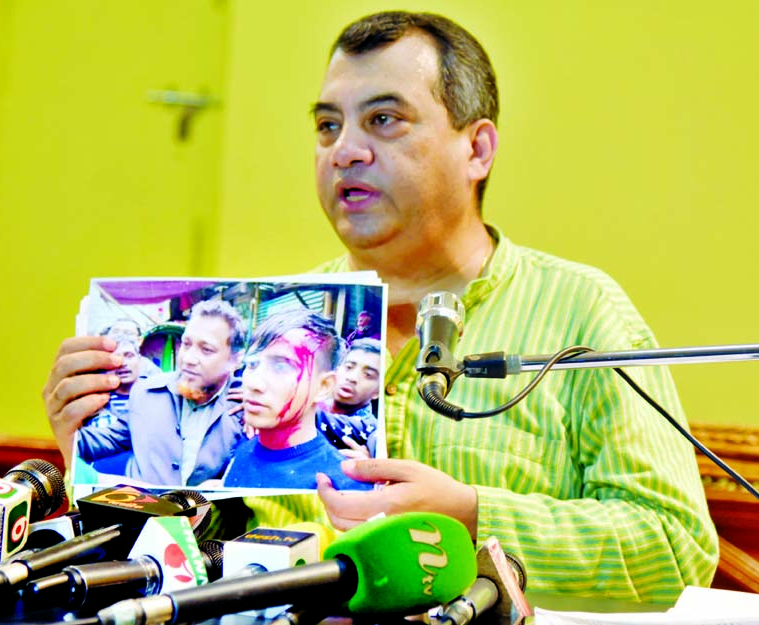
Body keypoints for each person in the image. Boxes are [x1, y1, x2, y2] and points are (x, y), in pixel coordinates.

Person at [42, 10, 718, 602]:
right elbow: (207, 550)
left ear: (477, 148)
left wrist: (473, 517)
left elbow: (675, 545)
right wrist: (110, 464)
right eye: (328, 126)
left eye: (384, 120)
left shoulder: (579, 311)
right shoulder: (271, 327)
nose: (345, 151)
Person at [49, 299, 247, 486]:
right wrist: (66, 427)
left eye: (206, 350)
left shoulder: (244, 406)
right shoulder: (145, 392)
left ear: (235, 359)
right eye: (186, 344)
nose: (189, 359)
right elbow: (102, 441)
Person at [222, 309, 374, 491]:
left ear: (324, 386)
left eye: (280, 366)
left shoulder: (342, 487)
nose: (254, 383)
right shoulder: (242, 450)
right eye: (252, 364)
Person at [316, 338, 381, 457]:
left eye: (368, 375)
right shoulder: (317, 400)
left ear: (377, 392)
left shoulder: (370, 428)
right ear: (337, 369)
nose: (352, 378)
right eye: (349, 367)